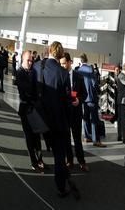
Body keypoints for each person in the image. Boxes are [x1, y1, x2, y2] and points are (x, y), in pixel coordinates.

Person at [33, 42, 79, 199]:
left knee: (46, 145)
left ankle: (39, 163)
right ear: (60, 54)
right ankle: (61, 186)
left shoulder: (38, 66)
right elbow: (67, 101)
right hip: (58, 121)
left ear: (49, 51)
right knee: (60, 156)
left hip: (41, 118)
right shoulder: (63, 73)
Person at [14, 50, 46, 172]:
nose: (30, 62)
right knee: (29, 137)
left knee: (37, 136)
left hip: (34, 108)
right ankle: (34, 162)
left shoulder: (33, 72)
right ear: (23, 59)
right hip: (25, 108)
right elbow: (25, 91)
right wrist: (34, 94)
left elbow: (35, 89)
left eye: (31, 60)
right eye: (28, 60)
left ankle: (40, 160)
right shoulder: (19, 73)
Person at [60, 53, 89, 172]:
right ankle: (69, 161)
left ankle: (82, 162)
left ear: (69, 62)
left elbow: (85, 93)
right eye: (60, 63)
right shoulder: (60, 75)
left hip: (76, 113)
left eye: (63, 63)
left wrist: (79, 100)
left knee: (77, 139)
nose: (62, 66)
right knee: (66, 139)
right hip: (65, 113)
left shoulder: (79, 76)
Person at [78, 54, 106, 148]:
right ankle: (96, 140)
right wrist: (99, 92)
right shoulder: (90, 69)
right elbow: (94, 83)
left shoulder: (79, 70)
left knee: (85, 118)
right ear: (87, 59)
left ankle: (87, 136)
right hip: (91, 97)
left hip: (83, 98)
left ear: (81, 60)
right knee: (94, 119)